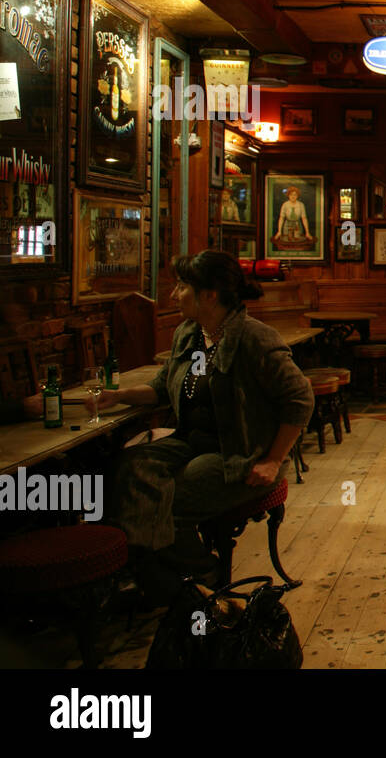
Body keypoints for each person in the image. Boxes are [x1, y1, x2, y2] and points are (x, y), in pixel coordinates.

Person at [99, 250, 314, 602]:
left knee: (165, 501)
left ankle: (198, 576)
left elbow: (300, 399)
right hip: (191, 441)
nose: (173, 294)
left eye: (182, 286)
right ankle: (157, 578)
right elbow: (160, 387)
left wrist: (274, 459)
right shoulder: (189, 335)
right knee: (127, 468)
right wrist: (118, 395)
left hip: (242, 453)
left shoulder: (253, 339)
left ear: (209, 294)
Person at [272, 184, 313, 249]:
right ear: (288, 195)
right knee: (287, 241)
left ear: (297, 196)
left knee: (297, 241)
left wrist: (307, 232)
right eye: (291, 195)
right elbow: (281, 218)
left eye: (295, 195)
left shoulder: (301, 205)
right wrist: (279, 231)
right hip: (287, 226)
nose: (293, 196)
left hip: (297, 226)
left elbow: (304, 218)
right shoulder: (285, 205)